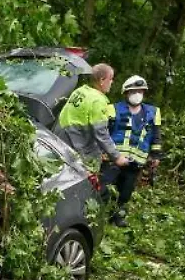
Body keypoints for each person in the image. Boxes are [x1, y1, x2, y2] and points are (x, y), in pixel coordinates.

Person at [56, 63, 130, 199]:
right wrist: (117, 157)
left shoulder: (80, 91)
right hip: (77, 145)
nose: (112, 82)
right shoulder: (98, 101)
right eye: (111, 79)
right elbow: (101, 133)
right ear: (102, 80)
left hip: (60, 139)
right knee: (87, 184)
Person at [100, 75, 163, 227]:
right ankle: (100, 216)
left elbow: (156, 136)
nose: (137, 94)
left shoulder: (153, 112)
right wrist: (102, 152)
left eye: (140, 91)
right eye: (134, 91)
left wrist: (155, 156)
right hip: (113, 159)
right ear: (126, 93)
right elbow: (103, 133)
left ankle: (118, 217)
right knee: (105, 188)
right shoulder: (112, 109)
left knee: (125, 192)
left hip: (135, 162)